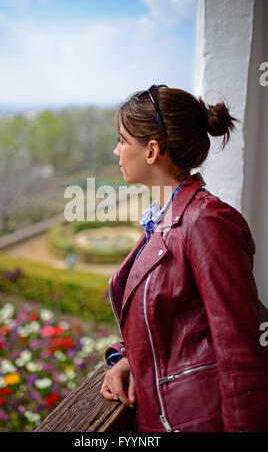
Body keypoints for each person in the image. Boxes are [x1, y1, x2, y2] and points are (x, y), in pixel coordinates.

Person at [100, 85, 268, 432]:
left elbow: (240, 352)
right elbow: (178, 324)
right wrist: (128, 357)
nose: (116, 151)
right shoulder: (163, 218)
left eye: (122, 140)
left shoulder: (206, 222)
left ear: (151, 151)